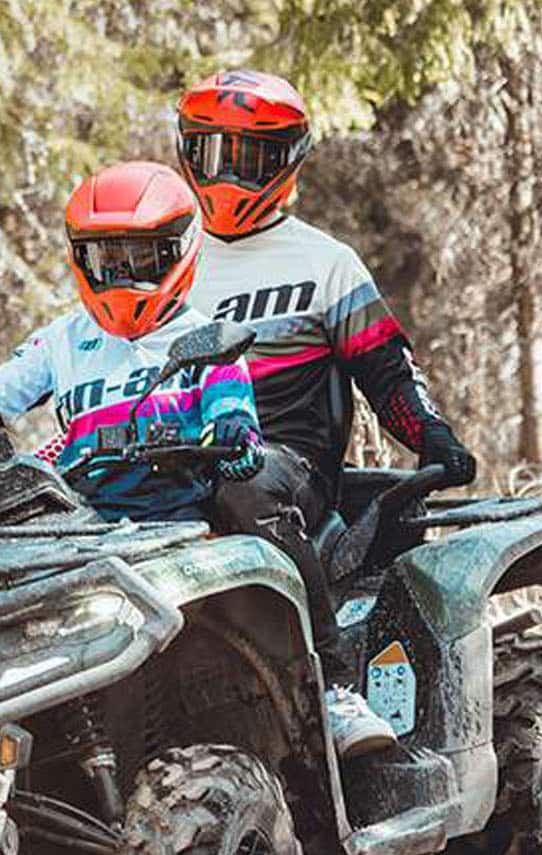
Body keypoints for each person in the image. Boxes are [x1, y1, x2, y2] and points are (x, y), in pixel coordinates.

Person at [0, 160, 397, 758]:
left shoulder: (210, 338)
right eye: (106, 260)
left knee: (254, 504)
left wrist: (232, 442)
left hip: (179, 520)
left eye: (143, 258)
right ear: (80, 259)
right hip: (82, 522)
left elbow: (235, 414)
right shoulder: (62, 340)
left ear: (180, 251)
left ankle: (334, 690)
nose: (123, 277)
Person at [175, 69, 475, 729]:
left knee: (242, 487)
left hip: (286, 463)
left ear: (286, 161)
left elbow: (386, 371)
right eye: (211, 153)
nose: (227, 176)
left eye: (248, 158)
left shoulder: (324, 261)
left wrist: (431, 435)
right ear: (185, 151)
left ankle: (334, 685)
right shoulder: (166, 261)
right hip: (175, 457)